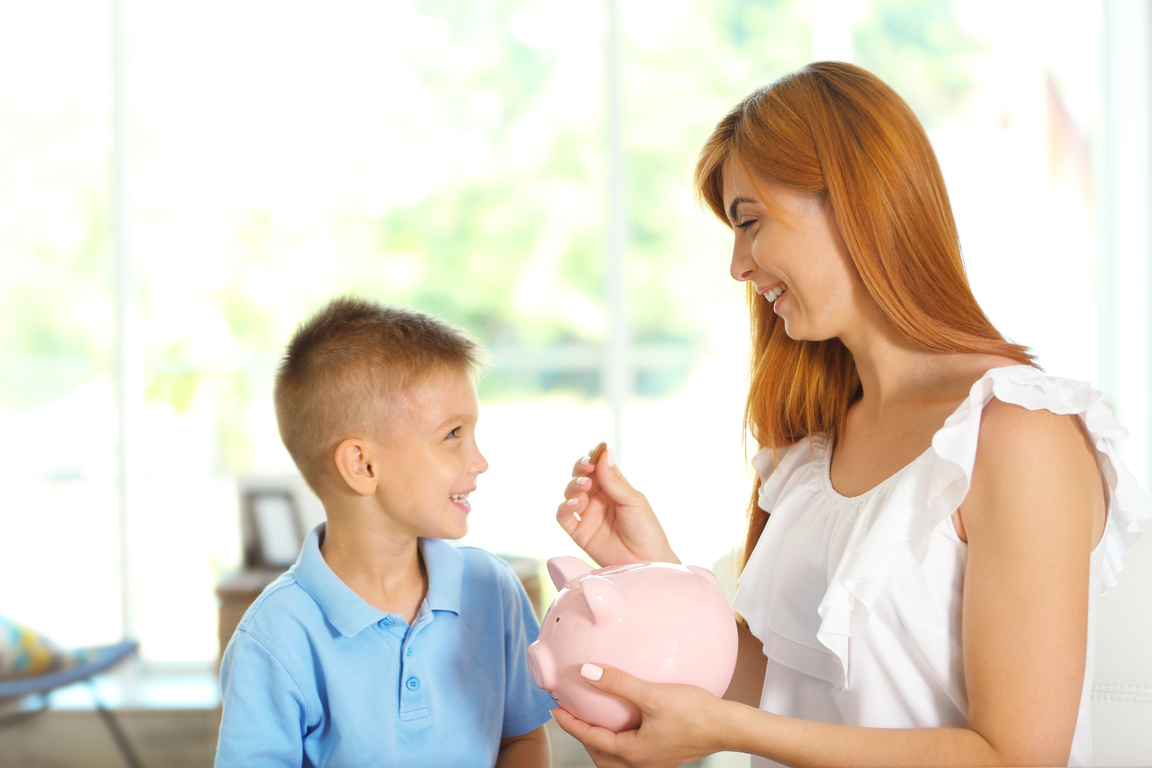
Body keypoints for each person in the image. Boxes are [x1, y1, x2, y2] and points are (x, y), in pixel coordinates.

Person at [551, 62, 1151, 768]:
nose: (738, 265)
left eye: (749, 222)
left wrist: (728, 733)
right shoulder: (815, 446)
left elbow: (1016, 757)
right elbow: (782, 692)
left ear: (853, 202)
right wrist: (655, 571)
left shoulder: (1018, 434)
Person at [216, 297, 553, 767]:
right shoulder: (274, 636)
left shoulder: (492, 589)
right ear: (363, 465)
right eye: (453, 434)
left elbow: (521, 739)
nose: (480, 461)